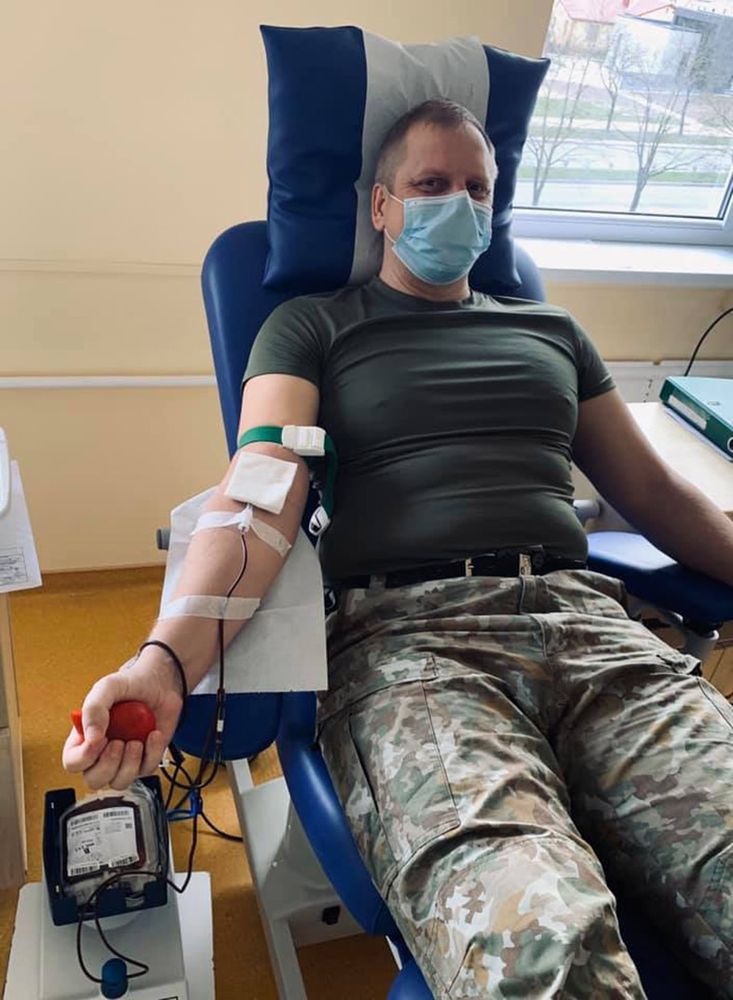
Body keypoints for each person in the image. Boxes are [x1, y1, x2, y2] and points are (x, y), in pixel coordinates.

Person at [64, 100, 733, 997]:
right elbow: (259, 496)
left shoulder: (552, 331)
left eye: (477, 188)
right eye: (430, 184)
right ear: (380, 205)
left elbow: (652, 493)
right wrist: (164, 660)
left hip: (590, 629)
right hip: (409, 647)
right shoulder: (312, 326)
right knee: (537, 953)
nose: (458, 203)